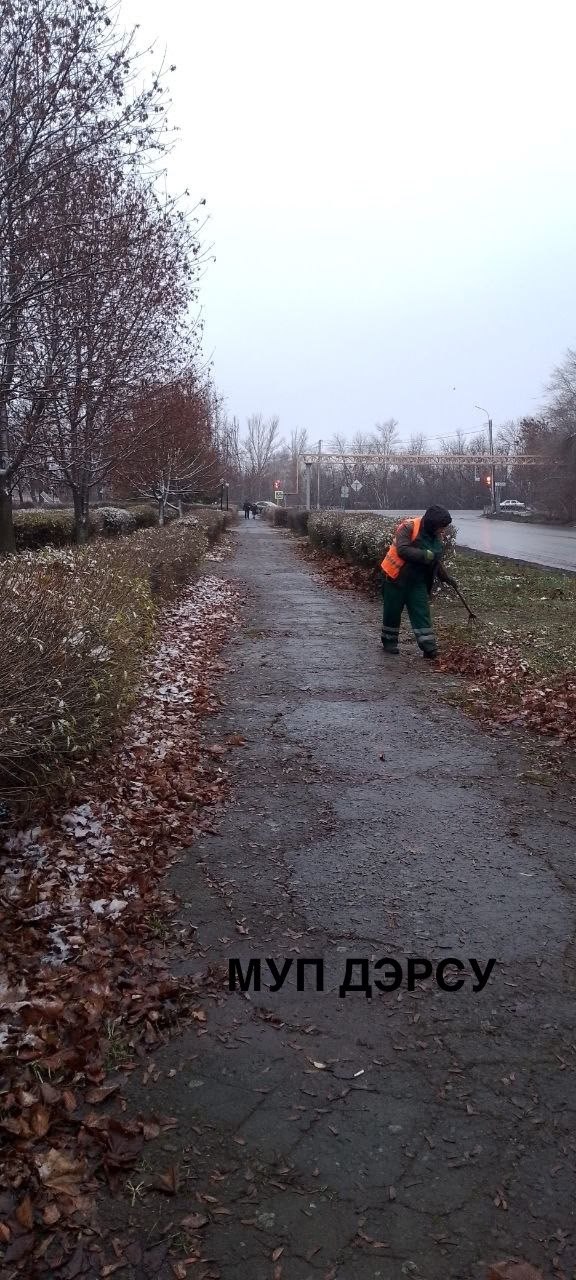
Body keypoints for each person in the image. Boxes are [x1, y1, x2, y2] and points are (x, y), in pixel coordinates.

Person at [380, 505, 458, 659]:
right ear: (432, 524)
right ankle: (389, 642)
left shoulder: (435, 536)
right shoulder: (409, 527)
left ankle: (429, 646)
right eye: (441, 527)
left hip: (417, 580)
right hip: (395, 577)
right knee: (392, 612)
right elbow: (403, 550)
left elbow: (435, 561)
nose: (443, 530)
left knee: (421, 612)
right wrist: (426, 555)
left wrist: (446, 578)